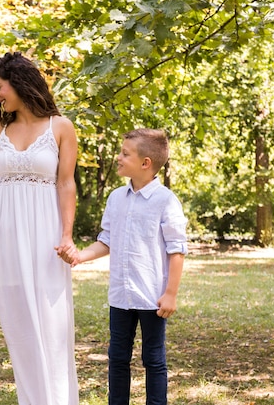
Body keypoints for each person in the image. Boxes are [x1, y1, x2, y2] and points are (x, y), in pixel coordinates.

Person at [0, 52, 79, 405]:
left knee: (51, 321)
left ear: (19, 81)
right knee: (18, 323)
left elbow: (66, 184)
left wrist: (67, 235)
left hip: (46, 234)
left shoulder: (61, 126)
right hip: (6, 234)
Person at [57, 129, 188, 405]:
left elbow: (177, 250)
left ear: (145, 163)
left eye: (125, 154)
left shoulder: (166, 201)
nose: (118, 157)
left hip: (152, 297)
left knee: (153, 358)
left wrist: (171, 293)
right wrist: (80, 256)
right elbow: (106, 241)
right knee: (117, 358)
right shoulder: (116, 198)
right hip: (120, 296)